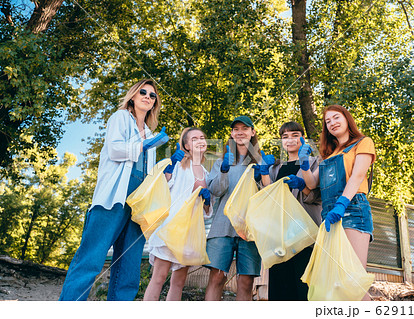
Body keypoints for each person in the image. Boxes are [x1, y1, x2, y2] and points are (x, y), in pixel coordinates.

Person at [59, 79, 183, 301]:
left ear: (155, 103)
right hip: (113, 200)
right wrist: (143, 146)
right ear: (133, 96)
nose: (147, 96)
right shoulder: (120, 118)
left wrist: (169, 166)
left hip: (137, 207)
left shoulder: (150, 133)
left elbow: (149, 180)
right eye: (142, 92)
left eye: (152, 95)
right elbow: (115, 150)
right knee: (91, 259)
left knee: (128, 270)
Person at [300, 104, 376, 301]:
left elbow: (358, 176)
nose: (332, 123)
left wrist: (342, 204)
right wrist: (304, 164)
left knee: (354, 282)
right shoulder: (329, 154)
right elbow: (312, 183)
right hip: (330, 216)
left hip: (352, 209)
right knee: (336, 282)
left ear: (346, 119)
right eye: (328, 121)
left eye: (336, 117)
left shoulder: (363, 142)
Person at [204, 115, 275, 301]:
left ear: (253, 133)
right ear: (232, 134)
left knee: (245, 282)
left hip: (250, 230)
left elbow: (270, 196)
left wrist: (264, 175)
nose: (240, 132)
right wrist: (224, 171)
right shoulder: (221, 162)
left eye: (245, 128)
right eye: (236, 129)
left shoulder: (262, 162)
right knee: (217, 277)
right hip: (222, 227)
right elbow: (216, 191)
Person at [143, 127, 212, 301]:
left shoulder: (207, 173)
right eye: (194, 138)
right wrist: (170, 166)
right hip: (170, 228)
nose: (200, 140)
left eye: (202, 137)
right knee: (158, 278)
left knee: (179, 282)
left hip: (190, 234)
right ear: (186, 145)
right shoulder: (178, 165)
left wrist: (208, 202)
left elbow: (206, 213)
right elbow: (162, 187)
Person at [259, 121, 322, 301]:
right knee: (280, 289)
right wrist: (264, 172)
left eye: (295, 135)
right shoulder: (276, 168)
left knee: (303, 290)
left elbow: (317, 196)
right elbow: (268, 197)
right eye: (285, 136)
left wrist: (304, 187)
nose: (290, 140)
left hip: (304, 235)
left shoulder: (315, 162)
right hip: (280, 237)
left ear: (303, 138)